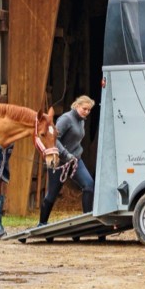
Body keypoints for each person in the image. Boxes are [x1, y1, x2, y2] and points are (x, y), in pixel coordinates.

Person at [39, 95, 95, 225]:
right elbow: (54, 139)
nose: (86, 112)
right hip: (59, 161)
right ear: (76, 106)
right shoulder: (66, 119)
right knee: (51, 195)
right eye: (84, 109)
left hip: (75, 160)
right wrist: (66, 154)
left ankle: (87, 220)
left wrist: (74, 156)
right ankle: (42, 223)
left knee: (89, 186)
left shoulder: (81, 120)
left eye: (89, 110)